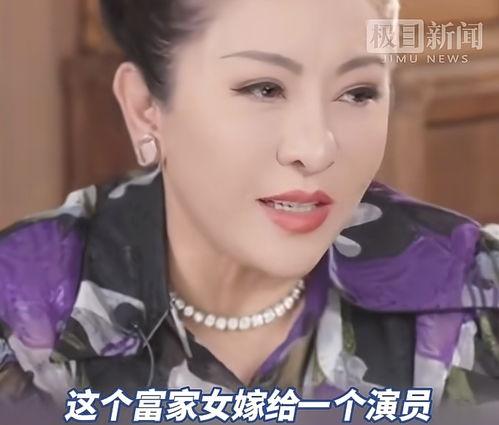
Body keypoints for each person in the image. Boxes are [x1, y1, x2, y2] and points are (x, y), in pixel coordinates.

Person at [0, 0, 498, 413]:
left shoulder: (473, 297)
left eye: (358, 92)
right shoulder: (21, 320)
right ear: (145, 107)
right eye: (265, 89)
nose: (316, 149)